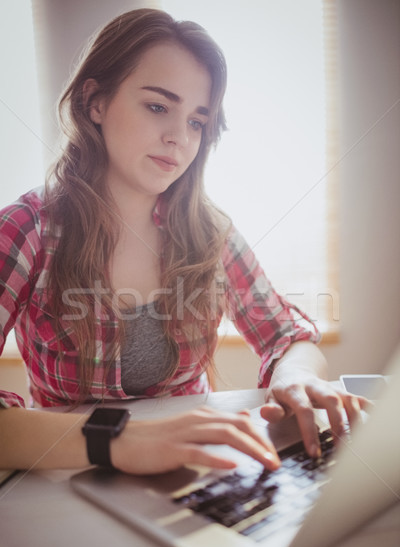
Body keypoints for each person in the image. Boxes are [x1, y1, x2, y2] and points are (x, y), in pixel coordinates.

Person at [0, 8, 369, 475]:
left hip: (192, 472)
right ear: (95, 101)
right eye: (158, 107)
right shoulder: (26, 229)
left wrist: (294, 376)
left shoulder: (209, 231)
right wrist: (123, 441)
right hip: (68, 478)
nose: (179, 138)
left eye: (197, 121)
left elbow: (288, 337)